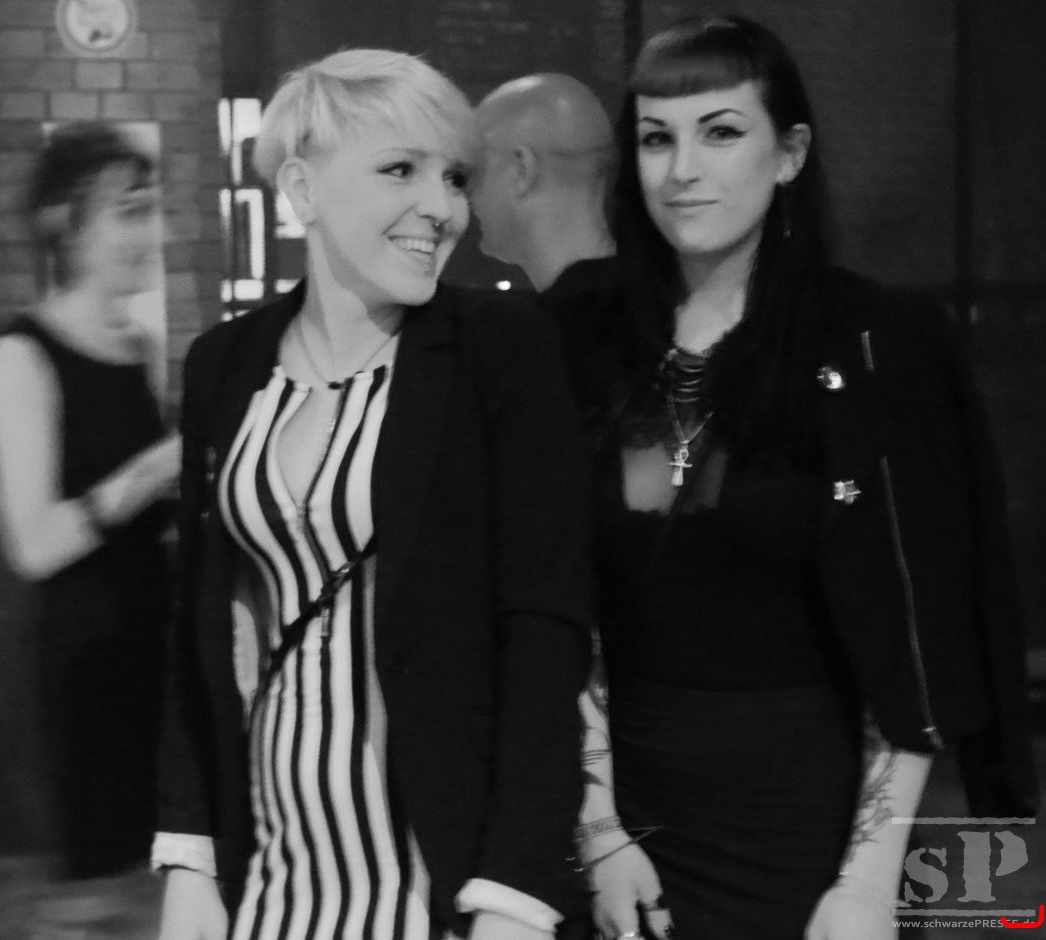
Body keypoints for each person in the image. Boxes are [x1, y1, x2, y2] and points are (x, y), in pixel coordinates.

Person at [568, 15, 1038, 940]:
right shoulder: (580, 330)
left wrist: (871, 881)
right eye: (657, 139)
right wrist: (597, 831)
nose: (682, 170)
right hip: (624, 823)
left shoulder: (879, 343)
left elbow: (923, 632)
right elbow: (549, 599)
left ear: (789, 154)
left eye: (720, 132)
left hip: (822, 828)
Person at [151, 49, 592, 940]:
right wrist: (190, 854)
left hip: (438, 879)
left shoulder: (498, 349)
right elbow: (201, 621)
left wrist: (514, 889)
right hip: (270, 869)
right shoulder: (224, 365)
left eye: (454, 177)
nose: (442, 207)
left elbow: (545, 626)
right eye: (401, 170)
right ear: (302, 189)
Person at [0, 121, 180, 937]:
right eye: (128, 212)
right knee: (91, 893)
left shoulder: (142, 346)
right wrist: (152, 471)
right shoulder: (21, 353)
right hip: (79, 657)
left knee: (156, 877)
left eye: (152, 209)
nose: (151, 232)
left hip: (152, 639)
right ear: (64, 224)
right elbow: (33, 545)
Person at [470, 73, 627, 423]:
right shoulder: (656, 309)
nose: (467, 195)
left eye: (475, 171)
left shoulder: (543, 345)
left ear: (521, 169)